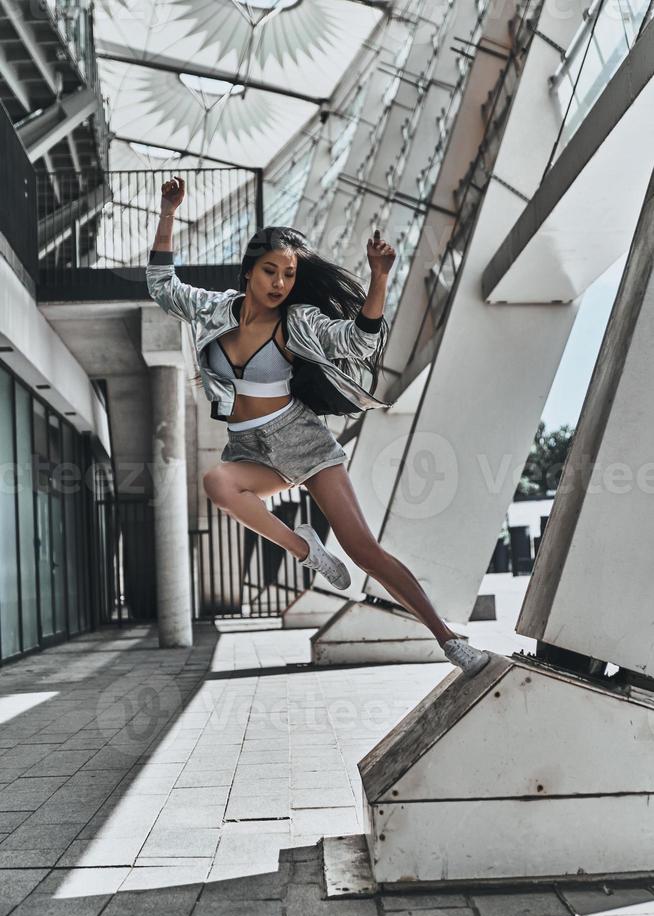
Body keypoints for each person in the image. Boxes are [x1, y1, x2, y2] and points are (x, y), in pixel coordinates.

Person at [146, 175, 489, 677]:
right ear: (248, 271)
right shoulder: (213, 309)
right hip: (248, 448)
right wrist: (169, 211)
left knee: (364, 550)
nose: (279, 283)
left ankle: (450, 640)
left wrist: (379, 279)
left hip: (302, 443)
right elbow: (162, 285)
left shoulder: (299, 321)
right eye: (270, 271)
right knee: (217, 482)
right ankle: (305, 547)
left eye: (288, 274)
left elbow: (358, 342)